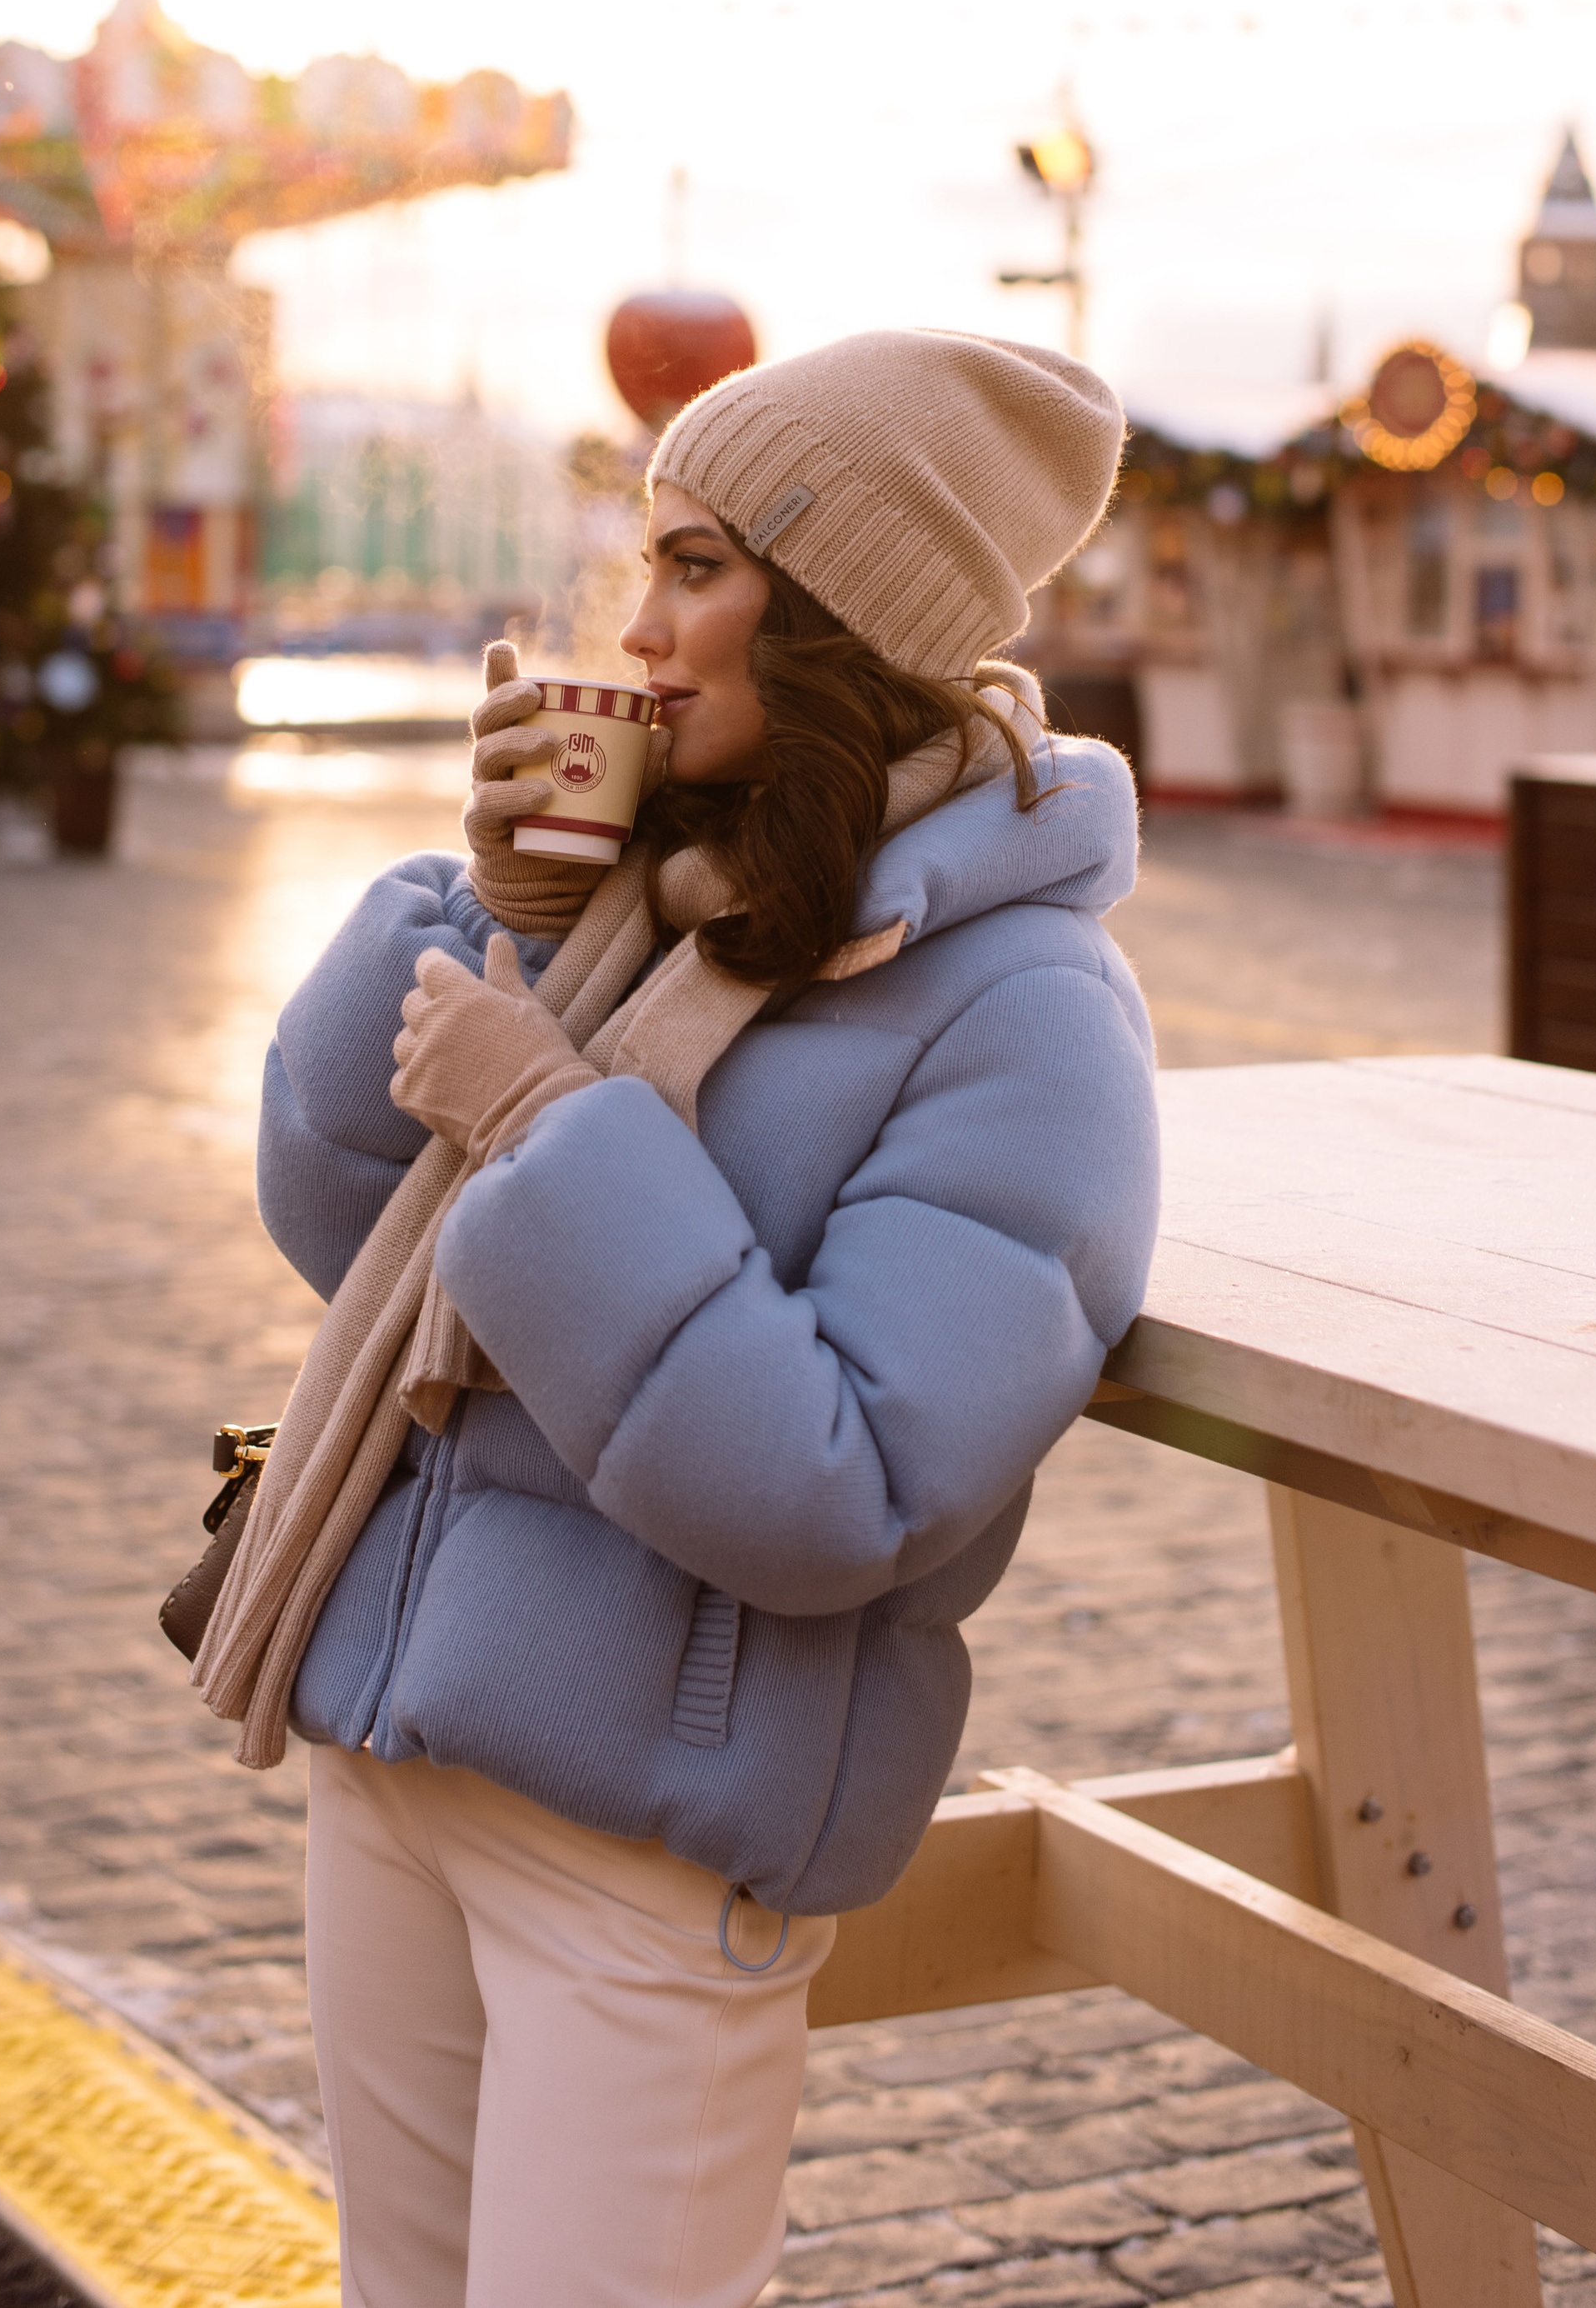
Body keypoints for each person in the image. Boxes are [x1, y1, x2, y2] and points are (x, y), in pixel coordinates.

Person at [207, 329, 1160, 2308]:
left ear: (837, 614)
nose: (639, 625)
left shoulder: (1028, 1014)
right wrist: (494, 915)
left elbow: (844, 1484)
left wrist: (548, 1125)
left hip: (641, 1842)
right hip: (398, 1745)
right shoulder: (654, 882)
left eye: (699, 565)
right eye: (645, 557)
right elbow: (337, 1225)